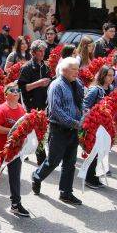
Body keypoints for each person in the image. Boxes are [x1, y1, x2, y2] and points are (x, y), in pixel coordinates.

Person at [31, 58, 84, 205]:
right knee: (53, 161)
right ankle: (37, 176)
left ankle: (65, 193)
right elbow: (55, 110)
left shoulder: (77, 84)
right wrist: (74, 123)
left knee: (70, 163)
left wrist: (83, 117)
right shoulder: (56, 85)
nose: (77, 72)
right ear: (64, 70)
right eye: (73, 69)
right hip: (59, 129)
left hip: (74, 129)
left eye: (77, 69)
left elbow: (81, 102)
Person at [0, 84, 31, 216]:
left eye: (18, 90)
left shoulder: (22, 110)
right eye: (12, 90)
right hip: (0, 147)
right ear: (6, 94)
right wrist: (12, 131)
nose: (16, 92)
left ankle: (15, 204)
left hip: (15, 149)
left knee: (15, 176)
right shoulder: (2, 109)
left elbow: (24, 128)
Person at [82, 66, 115, 189]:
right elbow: (85, 105)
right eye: (109, 75)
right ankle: (89, 178)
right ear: (102, 75)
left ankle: (95, 177)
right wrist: (92, 117)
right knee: (94, 152)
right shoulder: (96, 90)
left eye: (112, 75)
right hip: (94, 125)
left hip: (104, 125)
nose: (111, 78)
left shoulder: (110, 88)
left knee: (101, 151)